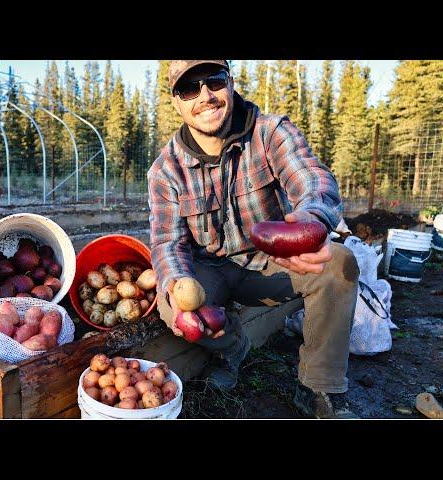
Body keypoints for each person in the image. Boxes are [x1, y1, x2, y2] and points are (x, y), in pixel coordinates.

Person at [147, 60, 360, 419]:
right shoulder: (166, 170)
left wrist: (309, 221)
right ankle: (233, 348)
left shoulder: (270, 132)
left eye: (213, 81)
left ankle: (317, 388)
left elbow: (313, 179)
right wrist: (178, 283)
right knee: (176, 307)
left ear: (229, 83)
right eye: (189, 88)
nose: (205, 96)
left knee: (339, 264)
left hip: (270, 263)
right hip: (210, 271)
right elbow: (167, 243)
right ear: (177, 102)